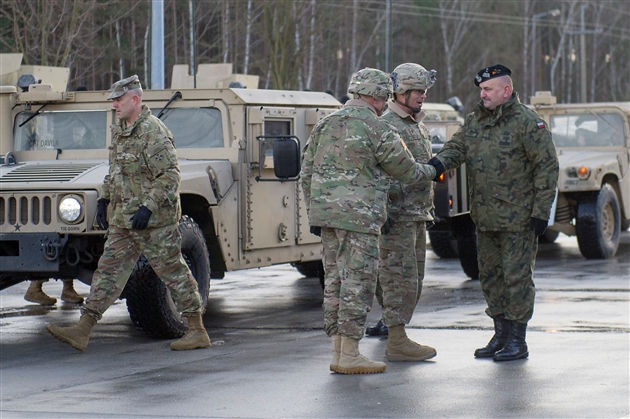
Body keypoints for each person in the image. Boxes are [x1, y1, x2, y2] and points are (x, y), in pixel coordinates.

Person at [47, 75, 211, 352]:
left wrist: (148, 207)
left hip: (155, 223)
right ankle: (83, 330)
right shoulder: (122, 131)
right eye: (113, 100)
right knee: (108, 272)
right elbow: (117, 173)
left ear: (135, 99)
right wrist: (104, 199)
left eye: (118, 99)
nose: (114, 105)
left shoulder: (153, 132)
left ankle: (197, 330)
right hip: (124, 221)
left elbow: (170, 176)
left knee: (173, 272)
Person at [301, 67, 437, 374]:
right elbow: (408, 172)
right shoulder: (376, 128)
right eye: (384, 97)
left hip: (328, 220)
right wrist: (435, 168)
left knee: (335, 283)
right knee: (357, 284)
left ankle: (338, 351)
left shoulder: (325, 124)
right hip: (360, 220)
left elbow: (306, 172)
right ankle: (350, 353)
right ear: (377, 97)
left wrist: (315, 211)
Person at [429, 64, 559, 362]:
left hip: (519, 221)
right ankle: (500, 334)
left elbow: (547, 167)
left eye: (488, 90)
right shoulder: (476, 120)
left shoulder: (528, 122)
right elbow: (457, 148)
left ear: (506, 91)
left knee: (516, 279)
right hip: (485, 218)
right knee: (490, 278)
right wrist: (434, 165)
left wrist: (541, 212)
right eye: (481, 90)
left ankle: (517, 340)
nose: (482, 94)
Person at [366, 63, 438, 362]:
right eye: (416, 91)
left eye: (423, 91)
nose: (422, 96)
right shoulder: (387, 125)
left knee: (413, 278)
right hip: (396, 217)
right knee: (399, 279)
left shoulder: (415, 124)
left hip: (416, 214)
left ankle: (393, 328)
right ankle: (397, 339)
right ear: (400, 92)